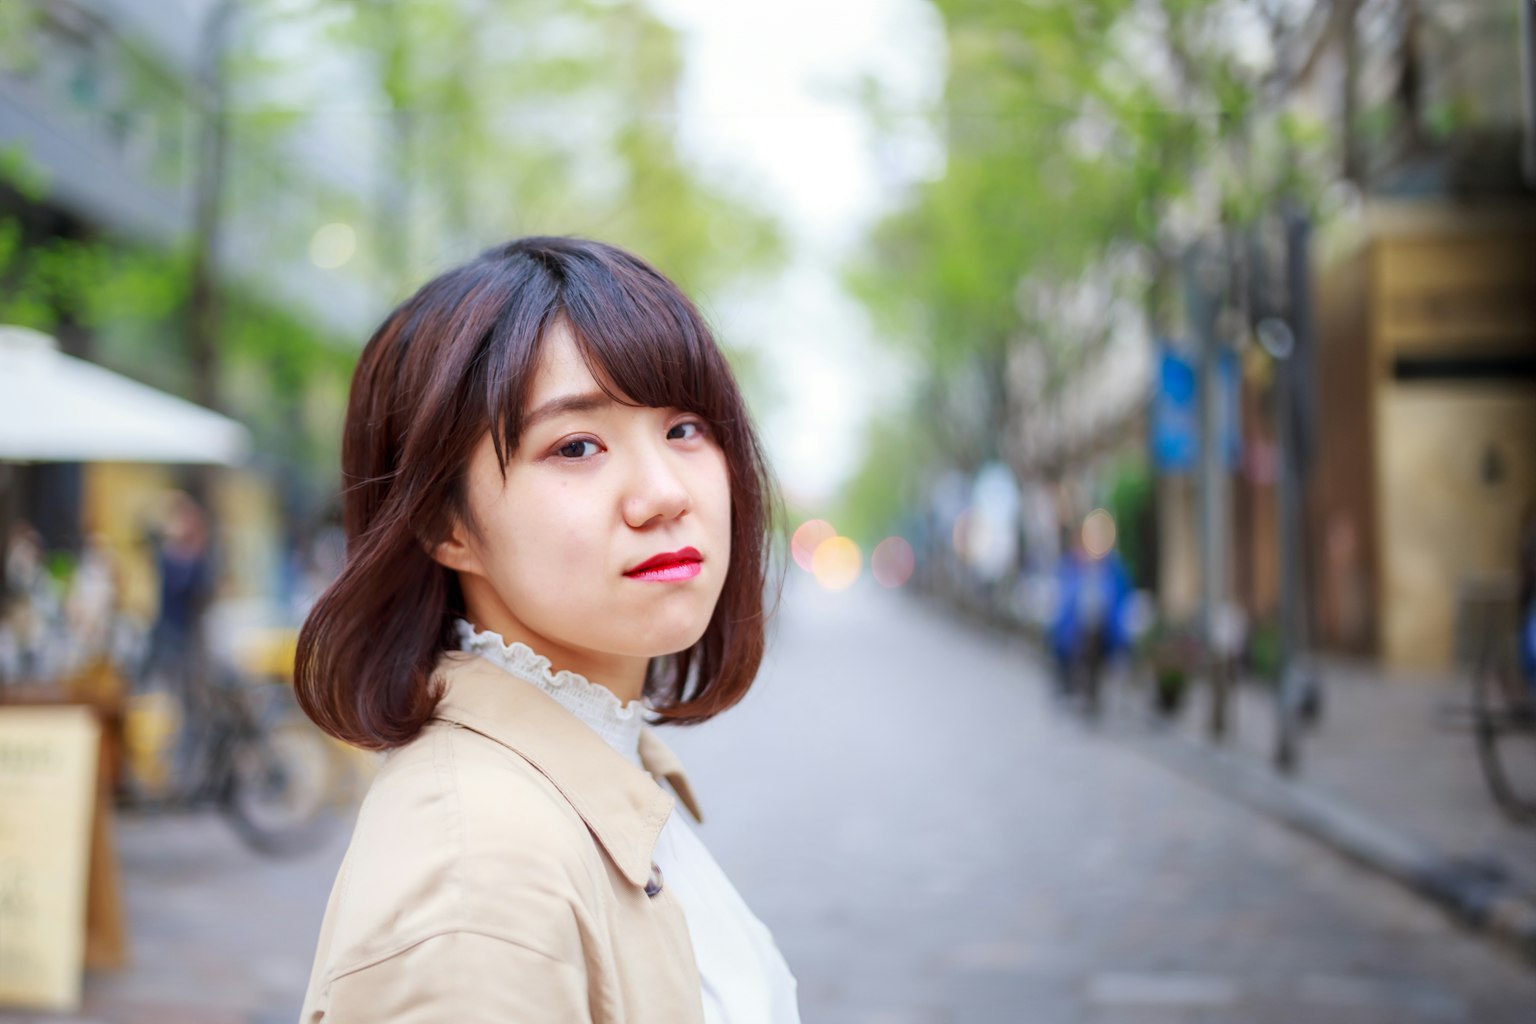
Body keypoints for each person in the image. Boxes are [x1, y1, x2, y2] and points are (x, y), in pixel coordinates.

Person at [294, 237, 799, 1023]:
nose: (664, 493)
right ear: (444, 523)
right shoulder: (476, 875)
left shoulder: (605, 761)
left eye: (685, 429)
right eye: (576, 446)